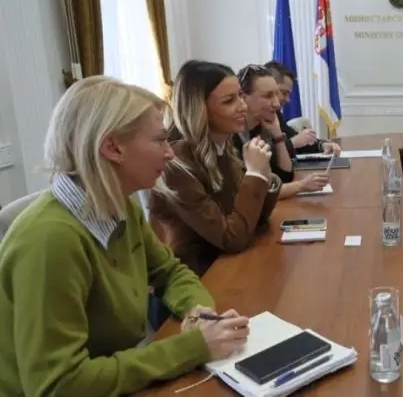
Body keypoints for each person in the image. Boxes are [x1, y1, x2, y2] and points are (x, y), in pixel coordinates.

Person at [0, 76, 249, 396]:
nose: (170, 153)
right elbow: (60, 384)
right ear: (112, 148)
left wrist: (197, 310)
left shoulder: (120, 206)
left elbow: (170, 272)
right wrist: (192, 348)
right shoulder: (50, 240)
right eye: (160, 140)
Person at [148, 60, 281, 277]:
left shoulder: (224, 149)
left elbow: (255, 220)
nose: (243, 106)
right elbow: (231, 239)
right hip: (196, 276)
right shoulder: (177, 165)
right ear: (201, 109)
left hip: (226, 264)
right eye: (229, 101)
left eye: (240, 96)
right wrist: (255, 174)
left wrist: (265, 175)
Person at [234, 64, 329, 199]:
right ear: (243, 98)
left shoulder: (265, 123)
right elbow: (254, 194)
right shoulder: (230, 136)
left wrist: (278, 136)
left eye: (276, 94)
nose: (277, 104)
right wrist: (300, 186)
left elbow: (285, 177)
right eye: (268, 96)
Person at [264, 60, 341, 156]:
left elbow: (296, 138)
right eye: (284, 93)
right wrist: (293, 143)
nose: (287, 100)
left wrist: (322, 145)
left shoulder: (275, 114)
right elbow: (262, 155)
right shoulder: (254, 117)